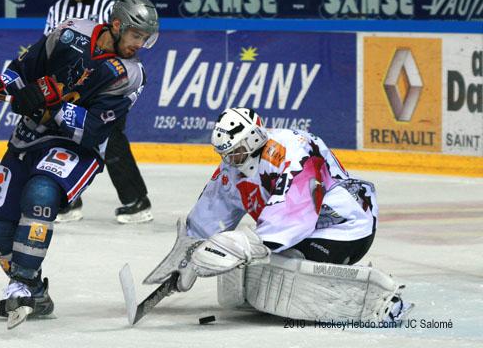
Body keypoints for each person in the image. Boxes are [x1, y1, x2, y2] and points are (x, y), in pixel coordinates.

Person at [0, 0, 159, 328]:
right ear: (118, 25)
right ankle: (34, 288)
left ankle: (19, 285)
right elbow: (22, 72)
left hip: (77, 148)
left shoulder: (130, 75)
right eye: (137, 35)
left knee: (41, 194)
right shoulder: (70, 31)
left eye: (145, 37)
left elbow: (94, 130)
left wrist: (51, 104)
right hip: (30, 136)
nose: (141, 44)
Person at [144, 107, 412, 324]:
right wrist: (188, 255)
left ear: (253, 140)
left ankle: (376, 301)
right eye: (225, 154)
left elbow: (297, 209)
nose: (230, 160)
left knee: (285, 264)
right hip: (302, 231)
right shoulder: (236, 163)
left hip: (345, 227)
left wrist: (248, 243)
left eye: (234, 152)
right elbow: (214, 206)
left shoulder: (294, 149)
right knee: (266, 263)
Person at [45, 0, 154, 224]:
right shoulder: (57, 9)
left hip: (109, 85)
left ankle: (137, 201)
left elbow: (126, 44)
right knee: (62, 138)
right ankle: (69, 202)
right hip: (74, 86)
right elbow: (50, 47)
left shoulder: (110, 8)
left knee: (110, 139)